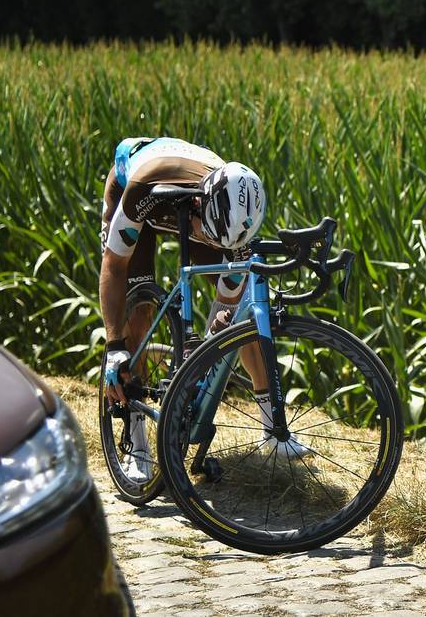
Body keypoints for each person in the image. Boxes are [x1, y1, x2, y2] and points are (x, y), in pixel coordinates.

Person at [99, 137, 308, 480]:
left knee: (244, 316)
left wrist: (209, 347)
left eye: (221, 244)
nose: (215, 248)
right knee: (139, 314)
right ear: (199, 206)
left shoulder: (231, 220)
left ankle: (272, 428)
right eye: (211, 239)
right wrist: (114, 346)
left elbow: (226, 307)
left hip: (204, 216)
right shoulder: (142, 188)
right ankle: (137, 442)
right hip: (139, 190)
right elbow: (114, 264)